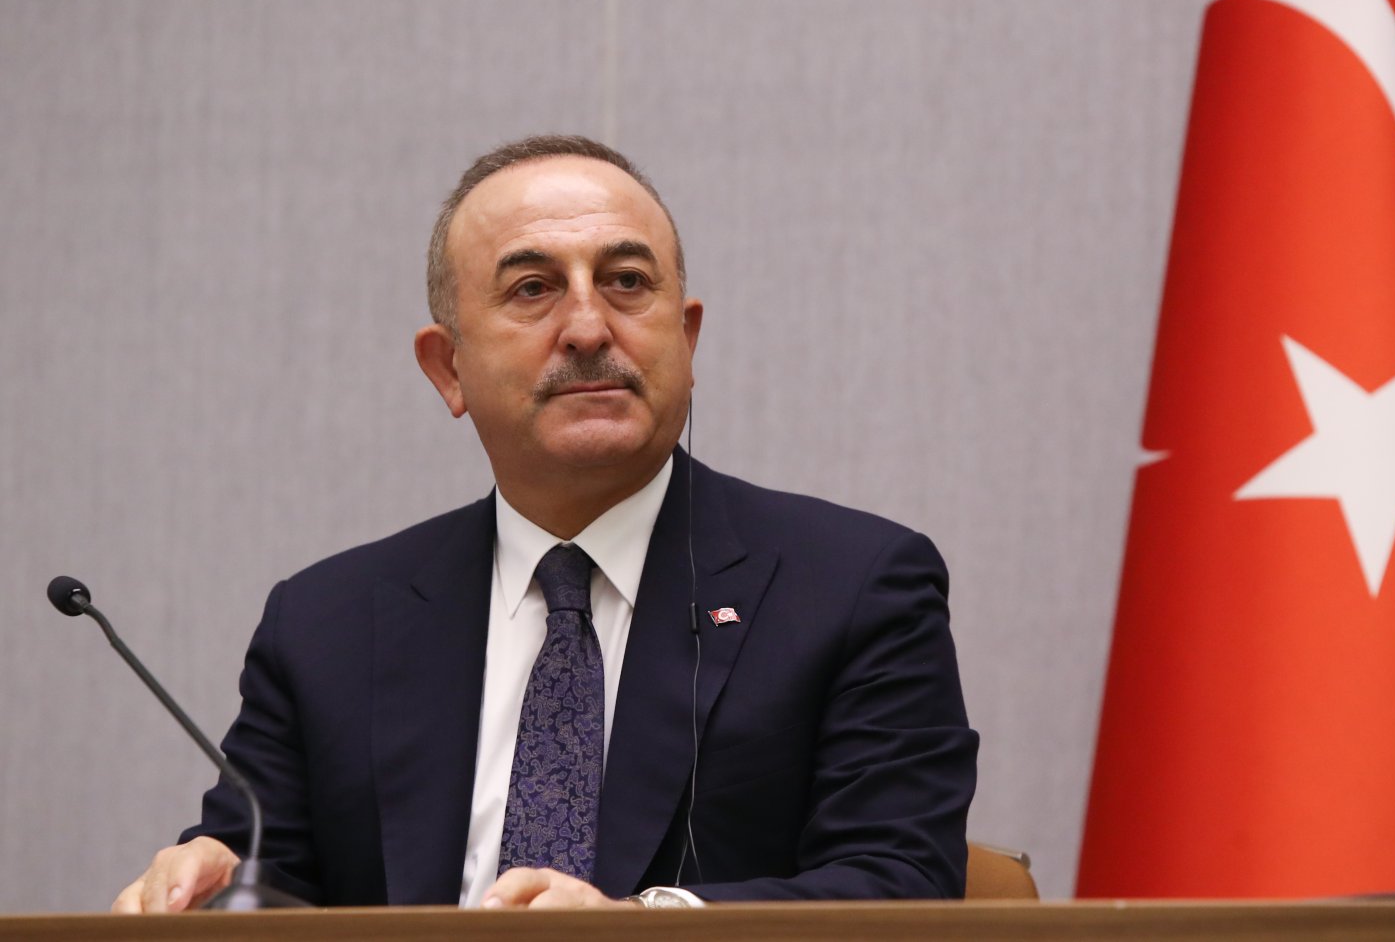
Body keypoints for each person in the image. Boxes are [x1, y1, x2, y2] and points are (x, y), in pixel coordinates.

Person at [112, 135, 978, 913]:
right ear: (447, 368)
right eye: (534, 289)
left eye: (627, 283)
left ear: (687, 338)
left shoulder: (853, 586)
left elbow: (899, 882)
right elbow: (268, 875)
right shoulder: (329, 624)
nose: (589, 327)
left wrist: (638, 930)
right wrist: (212, 879)